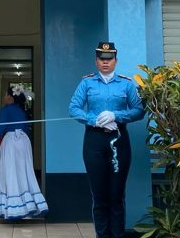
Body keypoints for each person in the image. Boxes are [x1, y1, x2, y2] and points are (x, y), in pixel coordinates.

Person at [68, 41, 145, 238]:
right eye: (102, 59)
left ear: (115, 61)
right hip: (94, 141)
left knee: (117, 195)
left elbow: (138, 110)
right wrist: (95, 120)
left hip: (119, 140)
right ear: (96, 61)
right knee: (99, 196)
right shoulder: (87, 83)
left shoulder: (126, 83)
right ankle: (102, 235)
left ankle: (117, 235)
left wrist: (116, 116)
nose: (105, 62)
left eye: (109, 59)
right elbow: (74, 108)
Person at [0, 84, 48, 220]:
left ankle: (14, 209)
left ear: (10, 97)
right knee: (24, 172)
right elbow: (25, 128)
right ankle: (28, 207)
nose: (3, 97)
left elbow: (1, 128)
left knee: (10, 172)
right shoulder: (21, 111)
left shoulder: (5, 110)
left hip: (11, 142)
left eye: (5, 94)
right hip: (24, 142)